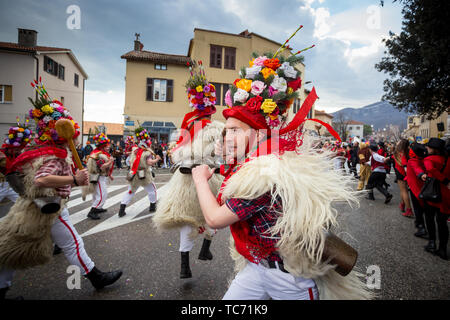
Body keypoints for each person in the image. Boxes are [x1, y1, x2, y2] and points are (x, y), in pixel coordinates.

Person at [192, 48, 372, 300]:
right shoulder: (256, 163)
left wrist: (200, 180)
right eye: (227, 131)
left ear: (259, 134)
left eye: (234, 130)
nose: (228, 137)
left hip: (289, 278)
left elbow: (214, 219)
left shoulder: (263, 175)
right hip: (256, 269)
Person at [0, 81, 122, 299]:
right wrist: (74, 180)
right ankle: (96, 277)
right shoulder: (54, 155)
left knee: (9, 247)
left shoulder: (40, 150)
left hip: (30, 207)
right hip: (50, 207)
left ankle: (1, 289)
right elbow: (41, 179)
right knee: (73, 243)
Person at [153, 65, 224, 279]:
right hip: (208, 176)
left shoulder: (187, 125)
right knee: (215, 213)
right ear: (211, 105)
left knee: (187, 217)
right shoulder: (216, 129)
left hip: (184, 178)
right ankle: (205, 248)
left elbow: (176, 153)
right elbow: (220, 155)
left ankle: (185, 265)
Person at [118, 127, 160, 217]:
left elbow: (129, 161)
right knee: (152, 190)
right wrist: (157, 159)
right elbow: (149, 162)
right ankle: (152, 206)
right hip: (144, 174)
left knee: (130, 191)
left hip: (134, 173)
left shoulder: (134, 150)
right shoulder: (147, 152)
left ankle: (122, 208)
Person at [421, 138, 449, 260]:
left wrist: (443, 179)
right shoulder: (448, 159)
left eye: (428, 147)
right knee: (442, 223)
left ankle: (432, 242)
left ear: (434, 149)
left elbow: (431, 169)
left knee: (429, 218)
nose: (426, 148)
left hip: (432, 193)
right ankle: (442, 249)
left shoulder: (429, 159)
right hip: (446, 195)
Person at [83, 132, 114, 220]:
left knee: (97, 194)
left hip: (100, 177)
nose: (108, 147)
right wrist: (110, 161)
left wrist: (110, 175)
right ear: (102, 146)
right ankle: (93, 211)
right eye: (107, 146)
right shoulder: (98, 155)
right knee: (102, 194)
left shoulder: (98, 153)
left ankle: (98, 208)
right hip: (99, 177)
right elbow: (102, 167)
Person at [406, 143, 428, 239]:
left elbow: (416, 169)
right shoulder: (424, 159)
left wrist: (421, 174)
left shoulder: (412, 160)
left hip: (416, 188)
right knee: (423, 209)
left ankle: (421, 227)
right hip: (424, 187)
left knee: (418, 208)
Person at [393, 139, 413, 217]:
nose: (397, 142)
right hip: (406, 173)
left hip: (401, 172)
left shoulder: (399, 152)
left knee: (404, 191)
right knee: (403, 190)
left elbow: (404, 163)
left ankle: (409, 210)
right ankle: (402, 204)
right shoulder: (408, 151)